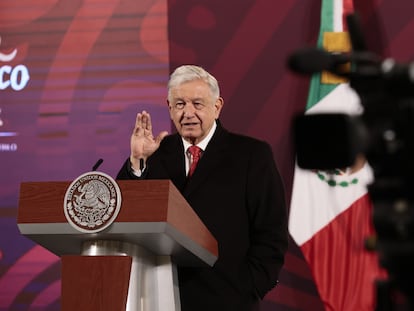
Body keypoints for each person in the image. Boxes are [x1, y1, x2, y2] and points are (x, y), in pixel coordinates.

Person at [117, 65, 288, 310]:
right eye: (179, 104)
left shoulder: (251, 155)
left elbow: (272, 230)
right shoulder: (154, 152)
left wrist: (252, 285)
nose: (188, 113)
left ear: (217, 107)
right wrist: (137, 160)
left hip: (228, 298)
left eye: (197, 104)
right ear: (169, 108)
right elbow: (123, 212)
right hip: (160, 296)